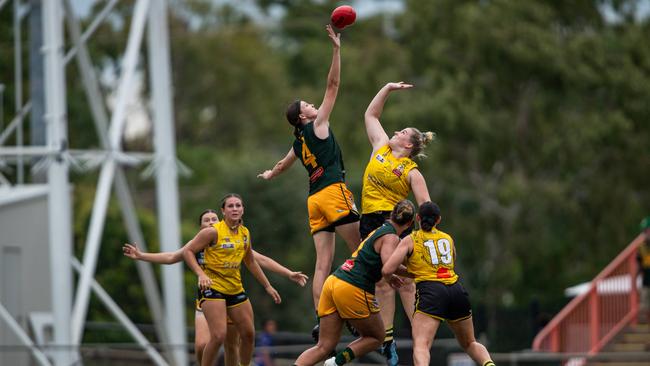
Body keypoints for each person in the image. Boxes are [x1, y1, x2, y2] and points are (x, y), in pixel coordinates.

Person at [257, 24, 361, 338]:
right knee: (362, 250)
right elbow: (332, 85)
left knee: (321, 265)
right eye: (307, 106)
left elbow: (283, 164)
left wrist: (270, 174)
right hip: (332, 192)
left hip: (314, 200)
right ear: (303, 117)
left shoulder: (299, 141)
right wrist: (336, 49)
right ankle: (355, 308)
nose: (313, 105)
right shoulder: (318, 125)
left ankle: (321, 318)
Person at [122, 209, 308, 366]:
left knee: (231, 345)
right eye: (206, 220)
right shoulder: (196, 246)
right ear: (201, 226)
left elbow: (260, 259)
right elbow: (171, 257)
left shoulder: (232, 239)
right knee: (202, 345)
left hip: (231, 297)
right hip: (208, 299)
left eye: (214, 219)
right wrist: (141, 255)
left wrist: (288, 273)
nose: (211, 222)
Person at [361, 81, 435, 364]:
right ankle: (388, 338)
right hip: (369, 220)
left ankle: (419, 335)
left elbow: (426, 205)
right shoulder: (380, 147)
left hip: (393, 223)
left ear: (408, 144)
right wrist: (387, 88)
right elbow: (371, 115)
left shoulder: (411, 171)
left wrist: (426, 238)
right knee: (381, 282)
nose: (394, 132)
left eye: (401, 132)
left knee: (403, 281)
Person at [294, 200, 416, 366]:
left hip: (334, 281)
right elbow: (388, 267)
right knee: (377, 336)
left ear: (391, 214)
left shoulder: (379, 230)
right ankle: (335, 363)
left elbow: (386, 265)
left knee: (323, 346)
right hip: (353, 287)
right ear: (410, 223)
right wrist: (415, 272)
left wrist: (393, 274)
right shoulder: (392, 236)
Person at [382, 202, 495, 366]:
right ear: (438, 220)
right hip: (456, 290)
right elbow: (451, 261)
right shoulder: (447, 238)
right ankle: (489, 364)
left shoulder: (411, 239)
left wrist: (406, 274)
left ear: (417, 218)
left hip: (431, 292)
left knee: (421, 346)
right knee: (470, 343)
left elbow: (387, 270)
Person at [182, 193, 282, 366]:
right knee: (219, 336)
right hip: (213, 288)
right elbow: (187, 252)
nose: (235, 209)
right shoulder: (212, 231)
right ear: (223, 211)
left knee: (248, 335)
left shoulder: (244, 233)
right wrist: (201, 274)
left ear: (243, 210)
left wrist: (268, 285)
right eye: (230, 206)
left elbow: (250, 261)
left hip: (235, 289)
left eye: (238, 205)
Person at [638, 216, 650, 323]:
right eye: (645, 231)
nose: (646, 233)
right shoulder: (642, 246)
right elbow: (639, 263)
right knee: (644, 302)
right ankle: (644, 321)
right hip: (646, 279)